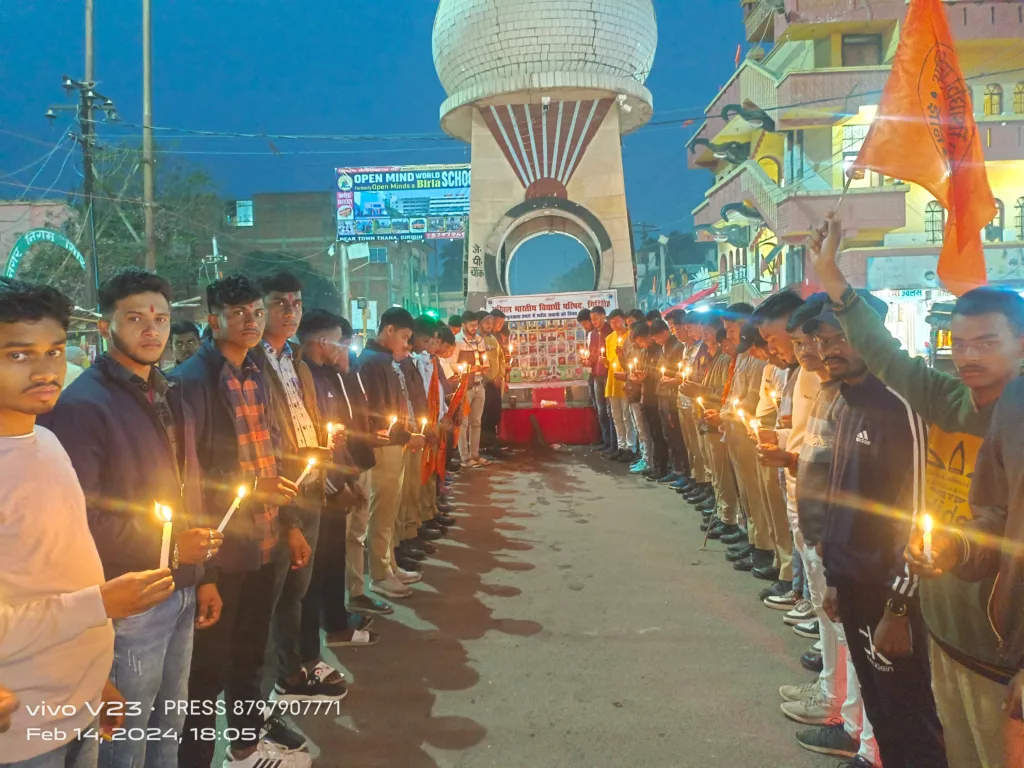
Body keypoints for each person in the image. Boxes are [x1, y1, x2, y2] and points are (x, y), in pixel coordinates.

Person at [810, 213, 1024, 768]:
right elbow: (884, 355)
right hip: (945, 623)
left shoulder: (1018, 424)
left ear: (1021, 345)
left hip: (1000, 644)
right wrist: (833, 280)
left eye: (987, 342)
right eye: (961, 341)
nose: (969, 354)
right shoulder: (946, 400)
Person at [41, 267, 223, 768]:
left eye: (161, 318)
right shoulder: (82, 405)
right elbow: (81, 517)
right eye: (135, 318)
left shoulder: (167, 391)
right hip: (131, 593)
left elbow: (190, 487)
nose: (152, 330)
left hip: (179, 586)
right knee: (125, 736)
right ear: (105, 327)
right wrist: (165, 549)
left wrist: (200, 573)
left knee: (170, 723)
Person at [0, 277, 174, 768]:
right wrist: (99, 604)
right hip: (21, 730)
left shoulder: (48, 445)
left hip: (77, 704)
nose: (44, 370)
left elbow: (59, 573)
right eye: (18, 355)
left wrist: (95, 678)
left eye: (54, 351)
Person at [804, 296, 948, 768]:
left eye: (840, 337)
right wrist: (835, 578)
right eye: (822, 340)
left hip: (891, 593)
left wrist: (900, 605)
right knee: (882, 711)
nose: (829, 349)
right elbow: (846, 500)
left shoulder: (900, 405)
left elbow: (918, 512)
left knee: (910, 715)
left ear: (873, 336)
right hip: (854, 583)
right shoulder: (847, 402)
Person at [171, 275, 308, 768]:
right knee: (208, 668)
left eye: (255, 312)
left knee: (251, 651)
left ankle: (246, 746)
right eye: (239, 314)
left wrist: (289, 522)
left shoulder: (257, 371)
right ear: (214, 319)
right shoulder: (191, 380)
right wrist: (204, 570)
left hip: (265, 538)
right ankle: (197, 758)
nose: (251, 321)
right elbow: (191, 473)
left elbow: (271, 453)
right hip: (221, 546)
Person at [251, 273, 347, 706]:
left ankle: (297, 668)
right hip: (277, 492)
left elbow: (304, 419)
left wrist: (326, 462)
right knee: (274, 599)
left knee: (299, 589)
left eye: (296, 303)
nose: (290, 312)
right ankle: (271, 693)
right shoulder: (251, 364)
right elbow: (263, 439)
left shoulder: (296, 362)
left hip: (309, 486)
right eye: (279, 303)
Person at [296, 309, 380, 647]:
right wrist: (334, 485)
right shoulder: (303, 378)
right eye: (337, 341)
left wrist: (348, 478)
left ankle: (336, 622)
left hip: (335, 479)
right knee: (318, 567)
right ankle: (324, 633)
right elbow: (311, 439)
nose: (342, 348)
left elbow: (337, 435)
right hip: (316, 486)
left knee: (332, 561)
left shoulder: (329, 375)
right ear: (321, 341)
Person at [358, 307, 425, 600]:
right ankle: (380, 574)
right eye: (404, 337)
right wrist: (405, 435)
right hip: (383, 446)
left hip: (395, 442)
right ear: (388, 330)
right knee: (382, 511)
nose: (407, 345)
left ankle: (390, 565)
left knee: (389, 509)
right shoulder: (372, 363)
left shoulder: (383, 360)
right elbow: (377, 414)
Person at [453, 309, 489, 467]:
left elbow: (484, 359)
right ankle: (465, 457)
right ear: (463, 325)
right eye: (471, 325)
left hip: (479, 384)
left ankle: (475, 454)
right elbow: (452, 364)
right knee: (463, 423)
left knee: (476, 422)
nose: (474, 328)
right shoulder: (457, 341)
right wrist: (469, 369)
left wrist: (484, 366)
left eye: (476, 325)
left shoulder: (480, 340)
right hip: (465, 386)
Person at [587, 305, 615, 453]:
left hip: (609, 375)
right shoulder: (592, 335)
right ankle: (606, 440)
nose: (594, 322)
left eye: (596, 318)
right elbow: (592, 355)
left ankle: (614, 443)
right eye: (592, 319)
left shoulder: (611, 333)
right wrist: (587, 361)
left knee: (611, 411)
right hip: (596, 375)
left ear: (604, 316)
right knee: (601, 410)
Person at [479, 311, 506, 455]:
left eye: (491, 323)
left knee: (494, 414)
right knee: (482, 416)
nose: (490, 326)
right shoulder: (476, 340)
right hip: (483, 384)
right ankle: (482, 445)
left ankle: (492, 443)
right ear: (479, 323)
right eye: (487, 323)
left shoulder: (492, 339)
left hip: (495, 384)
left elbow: (501, 359)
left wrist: (500, 376)